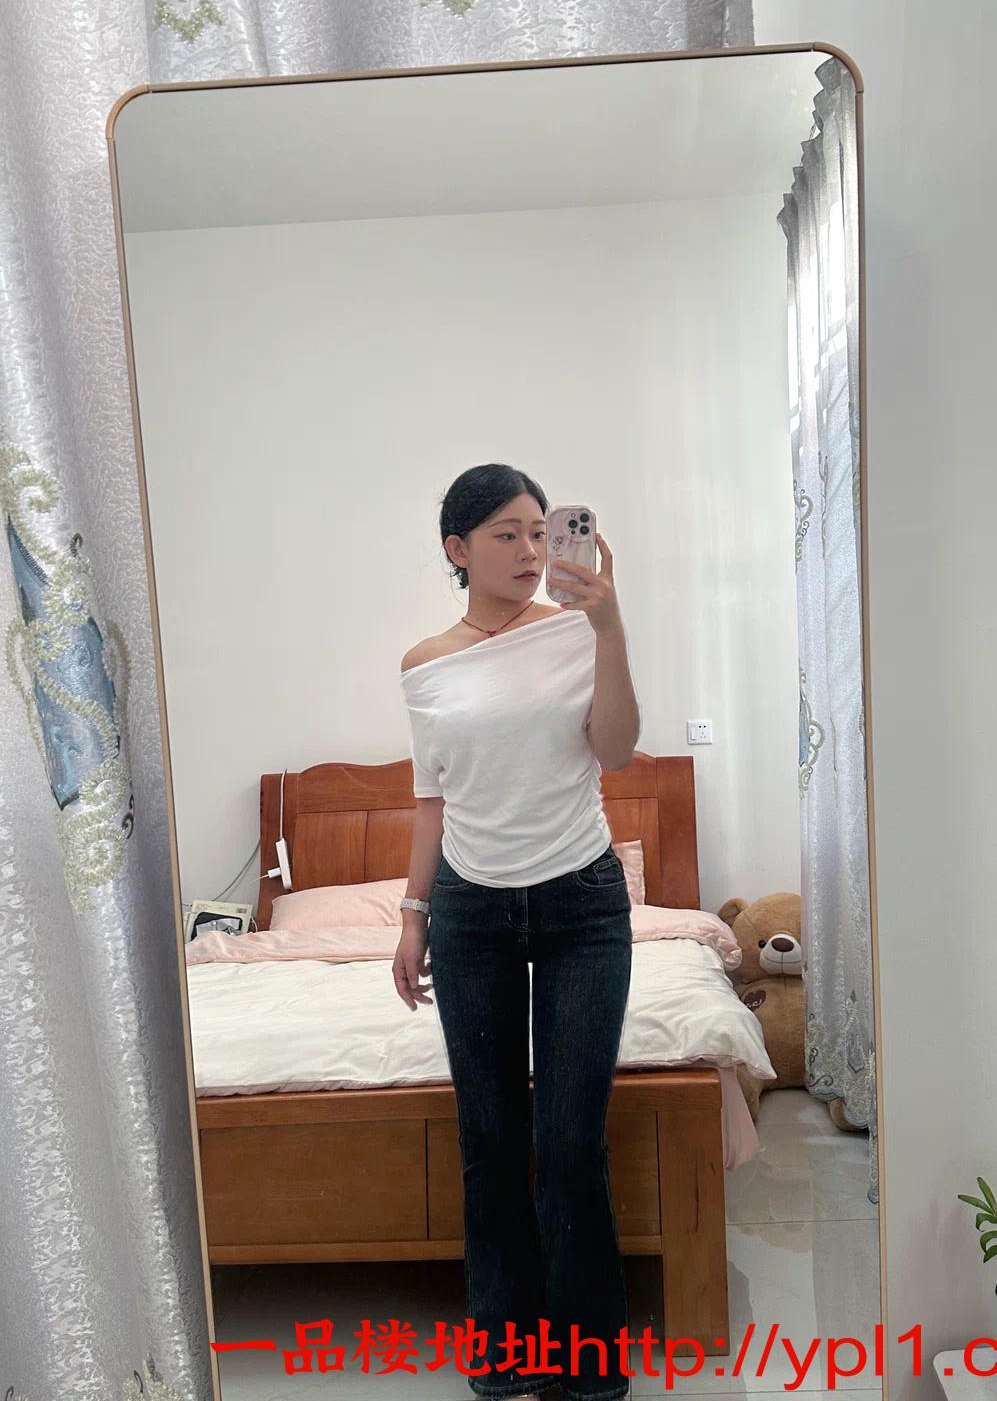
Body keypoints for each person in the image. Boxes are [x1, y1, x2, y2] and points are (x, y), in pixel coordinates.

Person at [394, 463, 642, 1401]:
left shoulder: (577, 628)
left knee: (571, 1141)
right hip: (471, 912)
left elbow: (617, 748)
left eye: (541, 531)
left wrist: (610, 628)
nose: (531, 551)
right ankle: (506, 1355)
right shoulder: (425, 664)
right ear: (457, 550)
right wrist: (413, 916)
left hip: (582, 903)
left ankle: (589, 1366)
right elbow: (431, 798)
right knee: (490, 1137)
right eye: (506, 534)